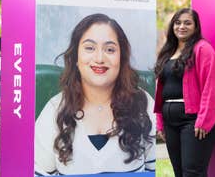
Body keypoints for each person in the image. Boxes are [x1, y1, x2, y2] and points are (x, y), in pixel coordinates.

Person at [35, 13, 155, 175]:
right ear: (76, 57)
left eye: (110, 49)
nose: (99, 58)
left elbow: (154, 169)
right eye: (90, 48)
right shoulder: (54, 110)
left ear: (122, 57)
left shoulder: (144, 104)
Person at [154, 8, 215, 177]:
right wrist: (160, 123)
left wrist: (204, 121)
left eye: (187, 23)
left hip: (193, 121)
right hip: (170, 119)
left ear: (196, 26)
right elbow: (161, 91)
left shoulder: (202, 49)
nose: (181, 26)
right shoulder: (167, 52)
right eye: (178, 23)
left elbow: (212, 87)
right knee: (178, 172)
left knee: (192, 173)